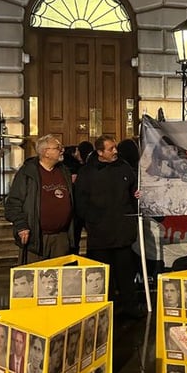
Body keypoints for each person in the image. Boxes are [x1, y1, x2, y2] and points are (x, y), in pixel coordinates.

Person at [76, 135, 140, 318]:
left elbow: (133, 192)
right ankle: (105, 309)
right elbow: (81, 201)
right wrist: (91, 220)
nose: (115, 151)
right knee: (103, 276)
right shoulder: (87, 172)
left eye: (115, 147)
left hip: (122, 230)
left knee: (126, 273)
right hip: (99, 233)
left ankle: (130, 307)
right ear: (100, 152)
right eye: (111, 148)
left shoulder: (124, 167)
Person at [4, 134, 75, 263]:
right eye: (57, 147)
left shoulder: (64, 171)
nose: (62, 149)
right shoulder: (27, 173)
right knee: (36, 280)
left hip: (61, 239)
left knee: (60, 280)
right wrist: (21, 226)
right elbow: (12, 204)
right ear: (46, 152)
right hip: (36, 239)